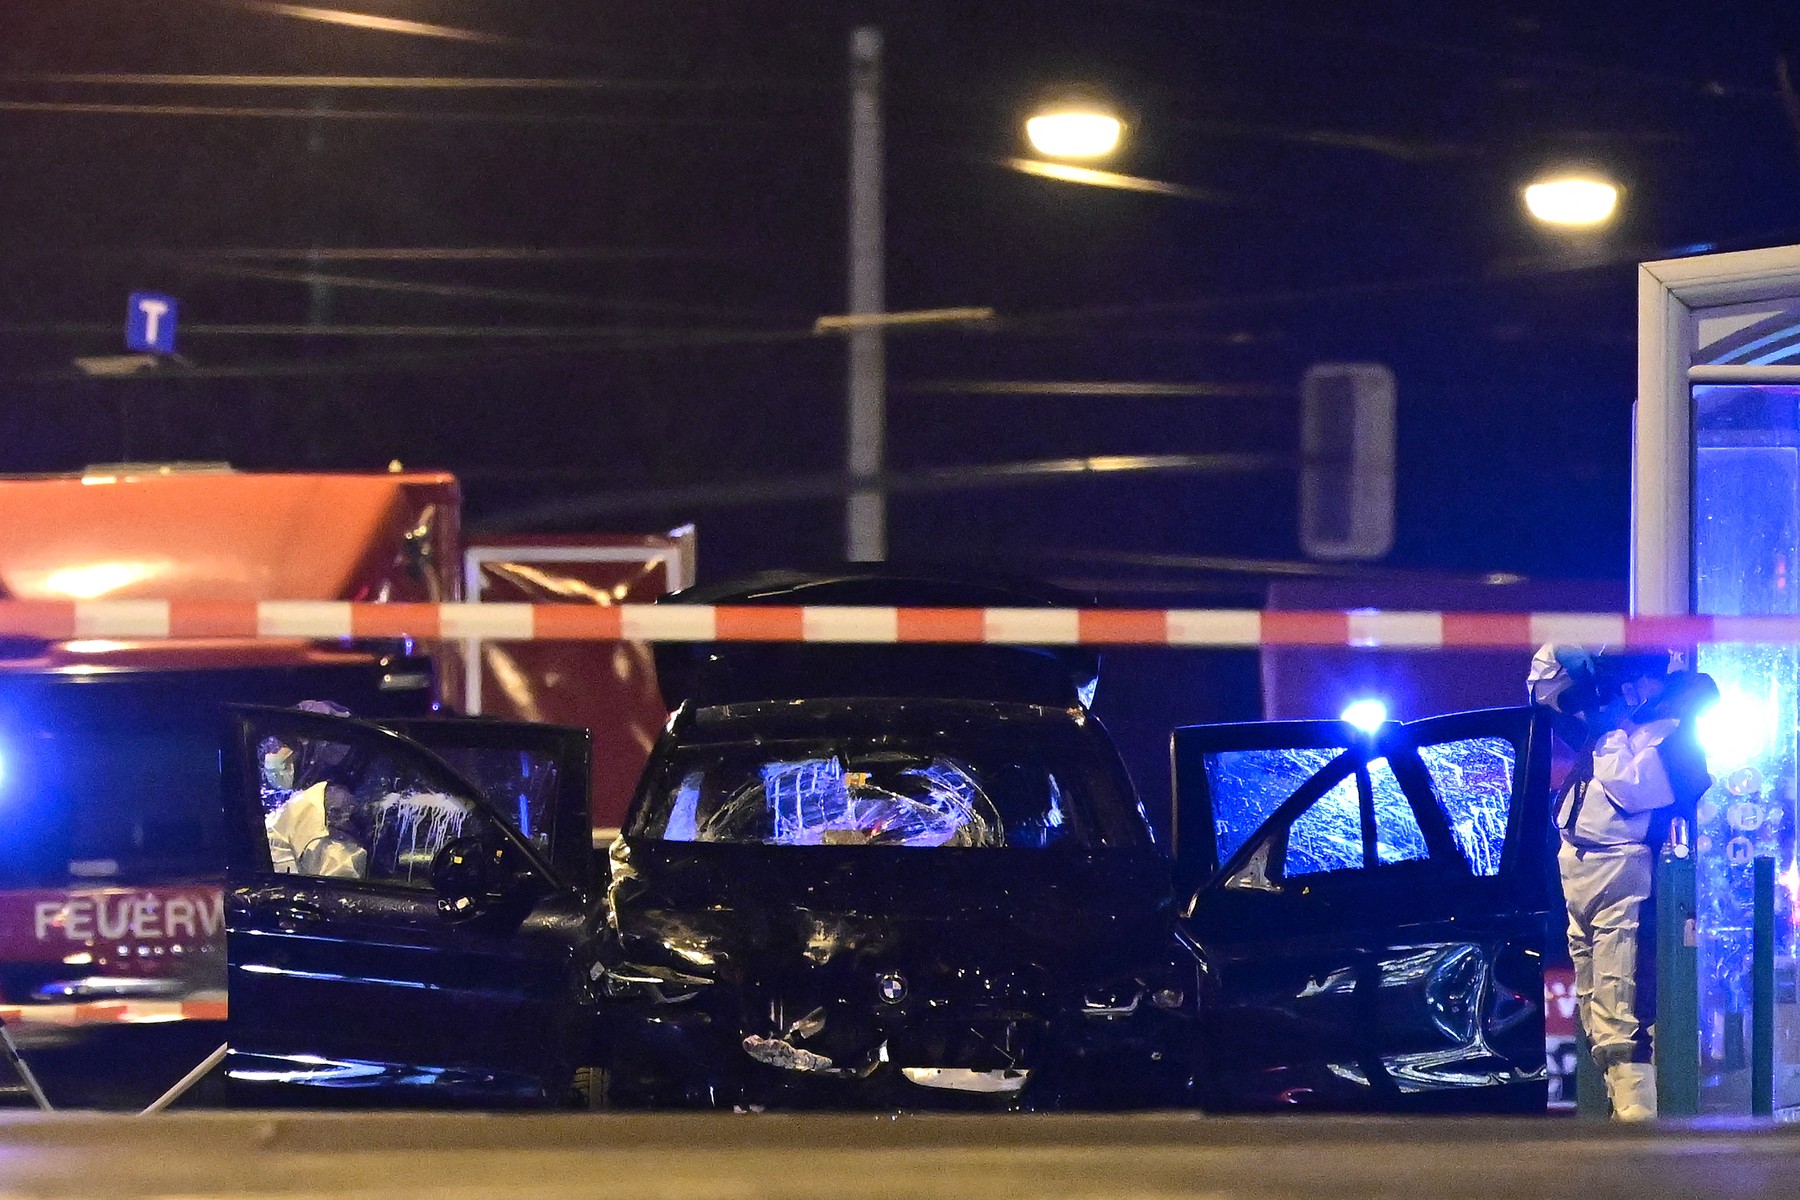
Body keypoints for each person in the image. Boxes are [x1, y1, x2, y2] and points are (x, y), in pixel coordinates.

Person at [1528, 644, 1716, 1120]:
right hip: (1577, 865)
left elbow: (1635, 790)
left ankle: (1637, 1113)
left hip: (1626, 869)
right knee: (1592, 998)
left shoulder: (1673, 729)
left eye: (1631, 678)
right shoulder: (1614, 719)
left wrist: (1610, 729)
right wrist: (1571, 650)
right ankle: (1624, 1108)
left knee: (1623, 994)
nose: (1622, 689)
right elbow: (1542, 688)